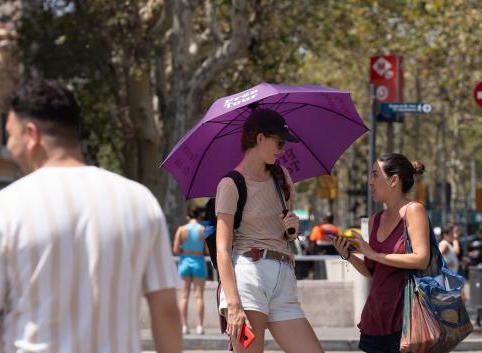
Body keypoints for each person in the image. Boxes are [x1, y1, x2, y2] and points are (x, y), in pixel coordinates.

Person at [0, 79, 181, 353]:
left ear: (31, 134)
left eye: (9, 134)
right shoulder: (139, 202)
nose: (9, 145)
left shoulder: (5, 208)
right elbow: (165, 310)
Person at [215, 108, 324, 353]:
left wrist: (292, 229)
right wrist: (233, 305)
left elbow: (287, 232)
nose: (282, 149)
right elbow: (223, 249)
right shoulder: (230, 184)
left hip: (284, 278)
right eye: (279, 142)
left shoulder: (281, 176)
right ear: (260, 138)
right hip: (246, 279)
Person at [332, 153, 429, 353]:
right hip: (375, 317)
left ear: (393, 180)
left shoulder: (413, 211)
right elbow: (372, 272)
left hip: (406, 319)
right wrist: (348, 255)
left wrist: (374, 254)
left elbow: (421, 259)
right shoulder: (375, 220)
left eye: (375, 175)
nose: (370, 182)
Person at [173, 207, 208, 335]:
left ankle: (184, 326)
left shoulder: (181, 230)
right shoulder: (203, 230)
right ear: (199, 216)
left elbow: (176, 249)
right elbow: (208, 251)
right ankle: (200, 326)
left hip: (185, 262)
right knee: (199, 296)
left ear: (188, 216)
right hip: (198, 261)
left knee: (184, 296)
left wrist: (184, 248)